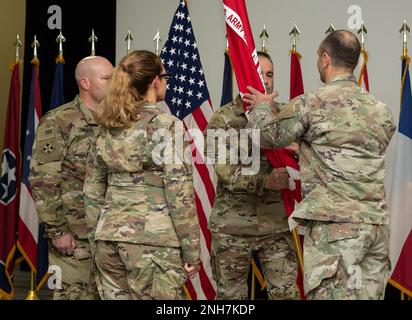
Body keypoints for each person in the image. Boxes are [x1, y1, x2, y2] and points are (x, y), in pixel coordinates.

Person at [245, 30, 396, 300]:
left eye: (318, 55)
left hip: (336, 230)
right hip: (375, 229)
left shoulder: (312, 104)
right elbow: (350, 149)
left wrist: (262, 106)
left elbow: (265, 135)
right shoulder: (381, 110)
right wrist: (305, 147)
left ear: (325, 59)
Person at [83, 50, 201, 300]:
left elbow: (92, 192)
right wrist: (192, 252)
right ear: (156, 81)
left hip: (109, 241)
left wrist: (97, 240)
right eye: (165, 77)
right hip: (154, 243)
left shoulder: (107, 126)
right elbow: (179, 193)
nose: (166, 82)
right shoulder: (166, 126)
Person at [204, 52, 298, 300]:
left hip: (276, 225)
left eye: (270, 75)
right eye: (260, 74)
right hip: (233, 226)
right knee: (230, 298)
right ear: (245, 75)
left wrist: (299, 151)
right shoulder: (222, 118)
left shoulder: (286, 114)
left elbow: (307, 161)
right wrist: (266, 181)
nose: (266, 81)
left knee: (286, 295)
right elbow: (226, 172)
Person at [30, 56, 114, 300]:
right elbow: (43, 180)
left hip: (112, 235)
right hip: (75, 236)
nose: (113, 84)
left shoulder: (117, 121)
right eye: (107, 78)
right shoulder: (59, 121)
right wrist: (57, 231)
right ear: (85, 83)